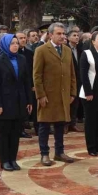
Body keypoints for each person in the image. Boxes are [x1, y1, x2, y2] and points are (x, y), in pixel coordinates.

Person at [33, 23, 76, 166]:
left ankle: (59, 152)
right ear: (50, 35)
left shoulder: (67, 50)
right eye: (59, 33)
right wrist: (40, 95)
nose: (62, 36)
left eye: (63, 33)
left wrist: (72, 92)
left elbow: (72, 74)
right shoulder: (41, 50)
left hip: (63, 95)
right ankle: (44, 154)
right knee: (44, 126)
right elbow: (37, 75)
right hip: (48, 95)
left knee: (60, 125)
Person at [0, 34, 33, 171]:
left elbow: (27, 82)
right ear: (5, 45)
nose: (15, 45)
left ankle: (13, 159)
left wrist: (28, 100)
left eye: (16, 43)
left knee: (15, 133)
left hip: (19, 102)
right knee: (4, 134)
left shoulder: (21, 59)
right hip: (3, 103)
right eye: (12, 43)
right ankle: (4, 161)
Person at [16, 30, 37, 137]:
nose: (23, 40)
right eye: (20, 38)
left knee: (30, 105)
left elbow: (34, 70)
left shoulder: (30, 53)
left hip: (29, 84)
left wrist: (33, 84)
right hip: (18, 85)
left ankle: (31, 127)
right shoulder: (14, 53)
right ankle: (20, 129)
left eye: (24, 38)